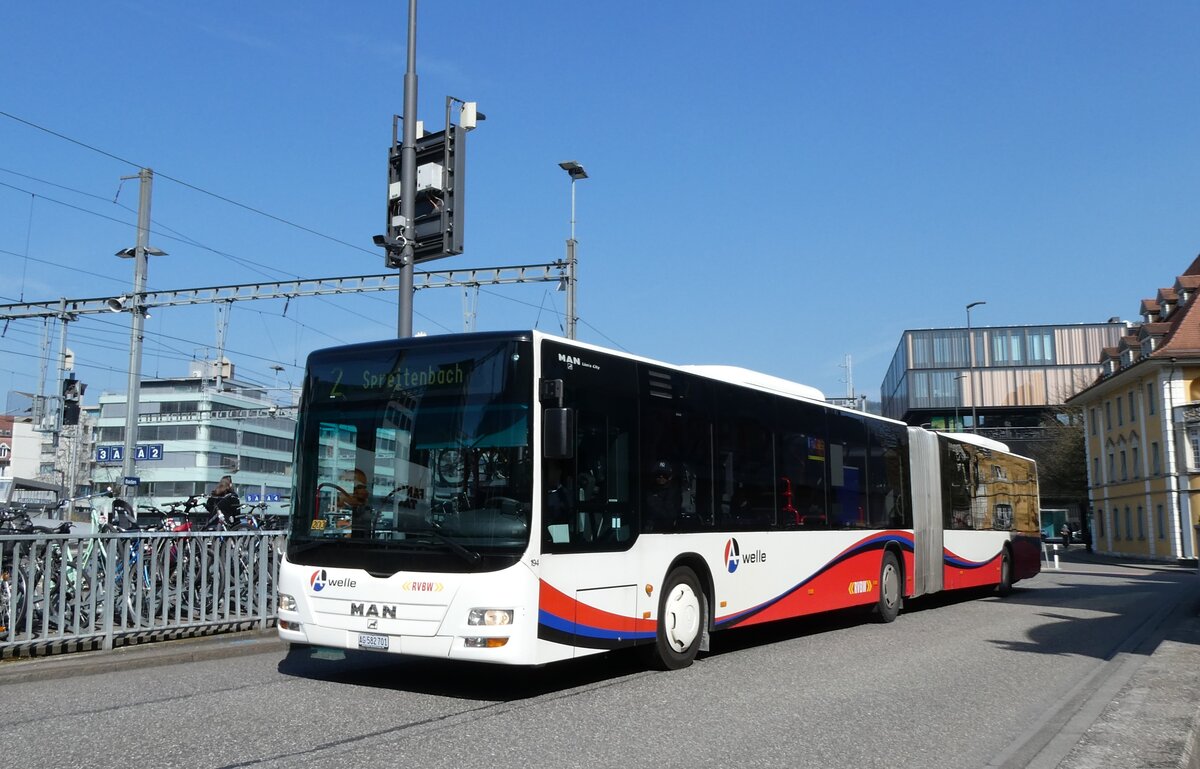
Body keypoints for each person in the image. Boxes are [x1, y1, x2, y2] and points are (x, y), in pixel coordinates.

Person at [644, 460, 681, 532]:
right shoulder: (649, 490)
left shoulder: (674, 492)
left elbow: (671, 514)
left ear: (670, 477)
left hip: (669, 531)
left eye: (665, 475)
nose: (661, 477)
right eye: (658, 474)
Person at [338, 468, 373, 537]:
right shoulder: (326, 507)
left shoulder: (366, 510)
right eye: (348, 482)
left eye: (360, 487)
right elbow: (317, 532)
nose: (356, 490)